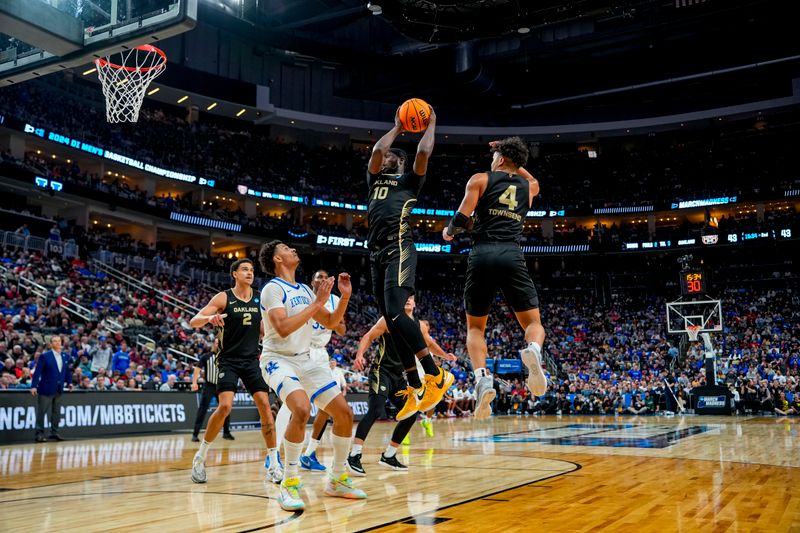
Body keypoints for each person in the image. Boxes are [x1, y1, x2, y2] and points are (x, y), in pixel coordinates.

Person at [443, 136, 547, 419]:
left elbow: (462, 218)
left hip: (483, 253)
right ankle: (534, 351)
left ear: (500, 159)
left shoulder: (480, 179)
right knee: (534, 324)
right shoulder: (529, 187)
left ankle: (481, 378)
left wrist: (448, 232)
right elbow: (532, 178)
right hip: (512, 254)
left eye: (495, 157)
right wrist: (516, 160)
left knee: (475, 328)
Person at [258, 240, 366, 511]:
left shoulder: (305, 290)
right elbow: (282, 328)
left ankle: (337, 479)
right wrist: (317, 302)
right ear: (277, 259)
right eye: (285, 248)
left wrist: (344, 297)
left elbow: (331, 323)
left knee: (344, 413)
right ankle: (289, 482)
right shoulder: (272, 289)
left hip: (306, 359)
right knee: (302, 408)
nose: (293, 249)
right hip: (277, 359)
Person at [367, 106, 453, 420]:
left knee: (395, 313)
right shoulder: (374, 179)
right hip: (374, 253)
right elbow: (378, 149)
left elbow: (423, 153)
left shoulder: (408, 183)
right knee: (390, 322)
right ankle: (416, 386)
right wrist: (398, 127)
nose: (386, 155)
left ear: (400, 163)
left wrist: (431, 122)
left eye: (393, 155)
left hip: (398, 247)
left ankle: (436, 374)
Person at [188, 258, 281, 485]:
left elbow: (263, 330)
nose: (250, 273)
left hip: (251, 360)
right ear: (235, 274)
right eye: (245, 270)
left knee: (265, 407)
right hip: (228, 360)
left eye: (251, 270)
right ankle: (200, 458)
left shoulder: (260, 298)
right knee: (226, 406)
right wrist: (210, 318)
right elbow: (193, 321)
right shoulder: (224, 297)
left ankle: (274, 464)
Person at [349, 295, 456, 475]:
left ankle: (389, 455)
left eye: (411, 297)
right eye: (404, 296)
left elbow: (430, 344)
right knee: (375, 410)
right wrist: (360, 354)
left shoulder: (419, 326)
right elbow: (368, 336)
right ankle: (354, 455)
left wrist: (445, 355)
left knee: (411, 413)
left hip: (399, 376)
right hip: (380, 371)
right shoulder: (388, 319)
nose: (407, 299)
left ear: (415, 303)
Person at [273, 269, 347, 473]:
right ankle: (273, 455)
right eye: (318, 277)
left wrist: (339, 317)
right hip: (299, 350)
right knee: (292, 406)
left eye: (325, 277)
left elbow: (341, 329)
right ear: (312, 282)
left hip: (320, 354)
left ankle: (310, 453)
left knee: (327, 407)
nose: (323, 279)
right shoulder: (302, 295)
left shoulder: (332, 299)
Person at [31, 335, 72, 442]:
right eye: (55, 341)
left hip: (59, 388)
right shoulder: (45, 356)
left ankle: (54, 433)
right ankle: (39, 434)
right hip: (46, 388)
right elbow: (37, 372)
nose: (58, 343)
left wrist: (70, 382)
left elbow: (66, 371)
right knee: (42, 412)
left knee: (56, 412)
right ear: (50, 344)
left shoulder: (65, 356)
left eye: (59, 341)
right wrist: (34, 386)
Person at [191, 340, 233, 442]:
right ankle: (195, 434)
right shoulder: (206, 356)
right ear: (213, 345)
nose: (218, 345)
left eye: (219, 343)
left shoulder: (225, 356)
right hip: (209, 386)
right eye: (216, 343)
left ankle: (226, 433)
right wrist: (194, 382)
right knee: (202, 410)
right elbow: (197, 369)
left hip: (221, 386)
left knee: (226, 409)